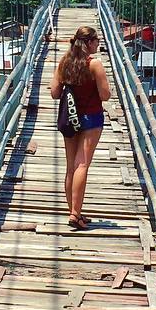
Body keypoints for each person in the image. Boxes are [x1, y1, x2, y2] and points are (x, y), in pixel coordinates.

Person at [50, 25, 111, 230]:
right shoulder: (94, 65)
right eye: (97, 41)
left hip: (70, 118)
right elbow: (105, 96)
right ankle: (76, 214)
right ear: (89, 42)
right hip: (91, 118)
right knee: (82, 165)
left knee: (71, 167)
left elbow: (54, 93)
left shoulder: (64, 63)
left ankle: (74, 212)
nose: (98, 45)